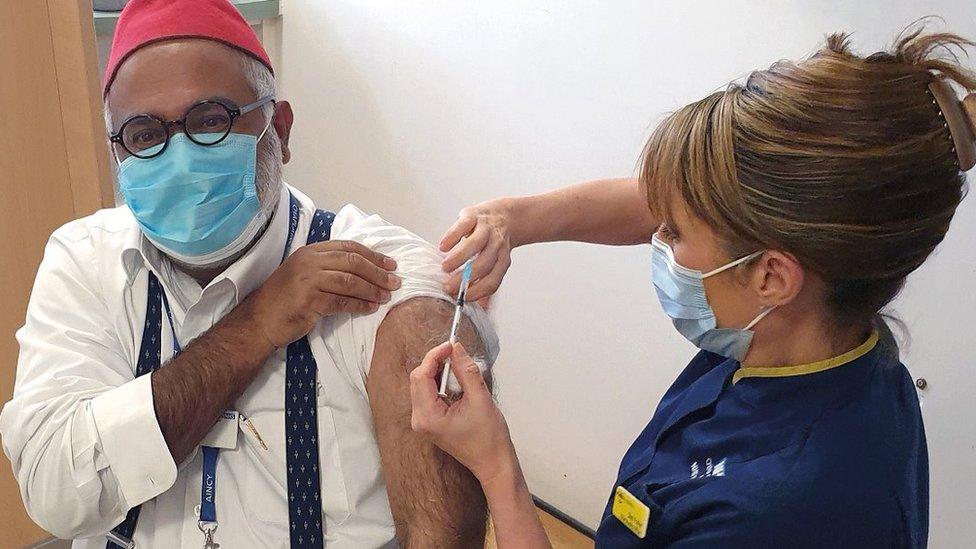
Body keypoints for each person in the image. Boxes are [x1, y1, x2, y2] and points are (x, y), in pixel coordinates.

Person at [411, 28, 976, 547]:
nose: (656, 237)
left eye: (674, 233)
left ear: (771, 276)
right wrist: (514, 219)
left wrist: (495, 467)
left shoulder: (774, 512)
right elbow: (656, 200)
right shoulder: (818, 332)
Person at [0, 0, 498, 547]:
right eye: (144, 135)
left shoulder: (375, 274)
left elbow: (443, 530)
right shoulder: (86, 262)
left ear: (279, 130)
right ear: (119, 151)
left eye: (210, 120)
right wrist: (254, 326)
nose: (180, 155)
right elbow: (55, 494)